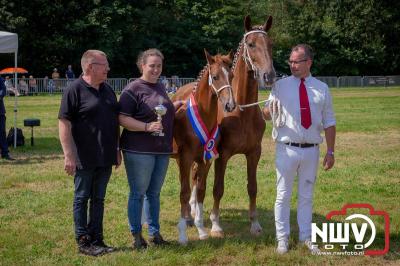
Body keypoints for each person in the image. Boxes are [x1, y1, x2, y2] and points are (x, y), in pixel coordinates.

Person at [262, 44, 336, 254]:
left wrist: (330, 151)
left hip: (312, 150)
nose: (292, 65)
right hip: (286, 149)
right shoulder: (280, 86)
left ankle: (306, 237)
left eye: (297, 61)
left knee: (306, 196)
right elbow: (266, 112)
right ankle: (282, 239)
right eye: (291, 61)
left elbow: (329, 122)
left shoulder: (322, 88)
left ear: (308, 62)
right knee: (283, 195)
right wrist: (267, 110)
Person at [118, 48, 183, 250]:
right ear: (142, 66)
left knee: (154, 194)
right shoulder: (133, 89)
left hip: (162, 149)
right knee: (138, 193)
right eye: (152, 65)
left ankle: (155, 234)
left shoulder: (161, 87)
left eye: (159, 66)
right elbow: (122, 118)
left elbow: (161, 111)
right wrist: (146, 127)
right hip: (139, 150)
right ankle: (136, 235)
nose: (156, 69)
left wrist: (177, 104)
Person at [58, 50, 120, 256]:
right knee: (82, 198)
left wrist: (117, 149)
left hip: (106, 155)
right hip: (84, 156)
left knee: (99, 199)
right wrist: (69, 155)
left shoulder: (108, 90)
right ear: (90, 67)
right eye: (104, 65)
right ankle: (83, 241)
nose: (108, 68)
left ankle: (97, 238)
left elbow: (114, 121)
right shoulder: (74, 90)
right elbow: (64, 123)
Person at [0, 76, 15, 160]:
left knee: (2, 132)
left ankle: (5, 153)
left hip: (0, 111)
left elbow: (3, 90)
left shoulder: (0, 79)